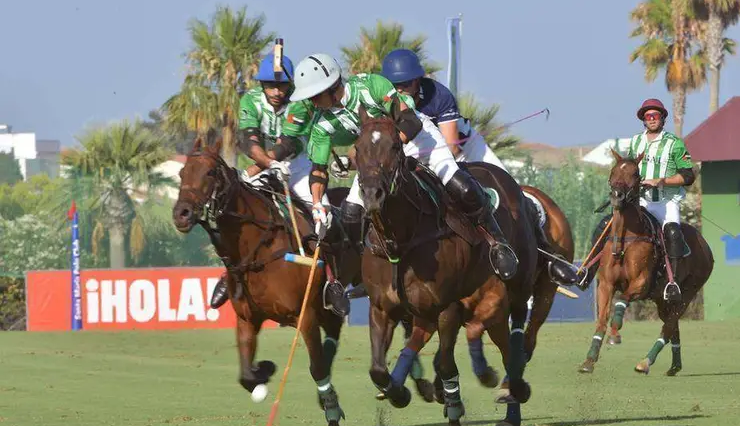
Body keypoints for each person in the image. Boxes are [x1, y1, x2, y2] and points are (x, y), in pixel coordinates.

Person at [287, 53, 520, 292]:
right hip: (378, 157)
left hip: (416, 140)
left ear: (332, 86)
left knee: (461, 185)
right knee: (350, 214)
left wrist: (390, 148)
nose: (311, 103)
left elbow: (410, 120)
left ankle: (497, 242)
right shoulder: (321, 125)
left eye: (314, 96)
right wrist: (317, 205)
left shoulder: (371, 85)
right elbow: (318, 171)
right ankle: (366, 272)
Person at [377, 48, 579, 287]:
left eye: (406, 84)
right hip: (418, 152)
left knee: (512, 197)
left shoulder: (437, 95)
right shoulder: (385, 103)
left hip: (465, 149)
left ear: (417, 80)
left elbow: (451, 148)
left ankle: (546, 256)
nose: (401, 90)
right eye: (395, 85)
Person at [207, 52, 350, 317]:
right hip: (264, 165)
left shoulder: (301, 101)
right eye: (270, 85)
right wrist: (265, 165)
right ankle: (229, 274)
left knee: (324, 219)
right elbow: (250, 142)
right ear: (261, 84)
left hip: (298, 166)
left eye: (282, 85)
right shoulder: (250, 101)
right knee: (233, 215)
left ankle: (332, 282)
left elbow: (288, 143)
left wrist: (265, 164)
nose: (276, 91)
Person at [577, 98, 695, 302]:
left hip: (666, 202)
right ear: (643, 120)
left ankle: (672, 283)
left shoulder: (674, 143)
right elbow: (628, 169)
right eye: (648, 116)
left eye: (655, 116)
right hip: (639, 201)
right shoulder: (636, 142)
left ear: (662, 118)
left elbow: (688, 176)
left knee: (673, 234)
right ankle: (588, 270)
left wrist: (661, 181)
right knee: (604, 225)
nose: (651, 119)